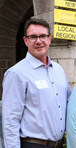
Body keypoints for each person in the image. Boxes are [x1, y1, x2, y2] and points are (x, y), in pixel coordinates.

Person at [2, 18, 71, 148]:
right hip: (32, 145)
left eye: (43, 36)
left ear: (49, 39)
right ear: (25, 40)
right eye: (33, 37)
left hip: (59, 144)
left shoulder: (59, 70)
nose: (39, 41)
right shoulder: (16, 73)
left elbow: (69, 103)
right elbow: (10, 121)